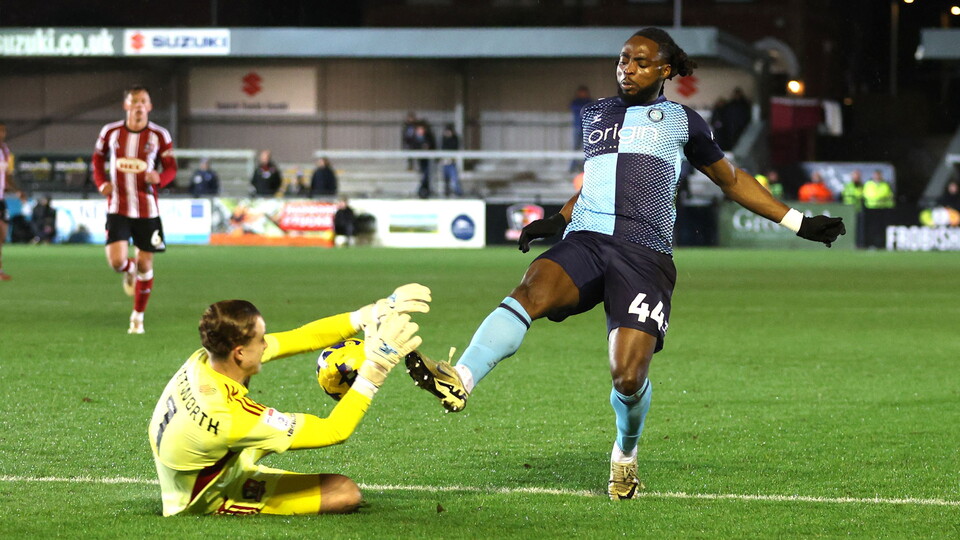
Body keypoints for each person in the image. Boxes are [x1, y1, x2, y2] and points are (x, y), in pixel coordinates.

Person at [405, 27, 844, 501]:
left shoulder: (682, 121)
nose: (626, 68)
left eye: (639, 61)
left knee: (628, 377)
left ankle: (625, 455)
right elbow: (598, 178)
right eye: (622, 59)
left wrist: (797, 222)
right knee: (532, 289)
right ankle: (461, 379)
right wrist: (556, 219)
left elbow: (731, 180)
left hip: (643, 253)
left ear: (665, 71)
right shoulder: (597, 113)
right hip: (588, 238)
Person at [148, 284, 431, 516]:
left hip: (204, 455)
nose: (266, 343)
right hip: (203, 494)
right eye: (260, 340)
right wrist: (375, 372)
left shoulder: (204, 360)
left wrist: (365, 315)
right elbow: (333, 431)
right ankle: (223, 500)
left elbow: (300, 338)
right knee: (344, 492)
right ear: (239, 353)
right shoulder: (229, 416)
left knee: (265, 434)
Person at [92, 85, 177, 333]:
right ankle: (129, 271)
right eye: (134, 101)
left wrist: (160, 178)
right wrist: (101, 183)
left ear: (149, 107)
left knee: (146, 264)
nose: (139, 105)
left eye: (143, 101)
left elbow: (171, 167)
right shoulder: (111, 132)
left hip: (147, 209)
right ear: (126, 105)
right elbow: (97, 159)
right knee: (117, 261)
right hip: (117, 205)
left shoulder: (159, 135)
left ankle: (137, 317)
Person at [0, 120, 21, 280]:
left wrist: (17, 190)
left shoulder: (5, 150)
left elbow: (7, 175)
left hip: (1, 199)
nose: (2, 134)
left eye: (3, 131)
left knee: (2, 234)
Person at [569, 85, 592, 172]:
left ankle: (585, 167)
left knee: (587, 148)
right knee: (575, 147)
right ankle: (572, 167)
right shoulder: (576, 102)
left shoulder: (589, 101)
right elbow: (574, 108)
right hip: (578, 127)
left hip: (587, 127)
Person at [440, 124, 463, 197]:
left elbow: (454, 148)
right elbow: (442, 148)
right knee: (446, 177)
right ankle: (447, 191)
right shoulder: (443, 139)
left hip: (452, 162)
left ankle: (457, 191)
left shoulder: (454, 138)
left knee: (454, 177)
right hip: (445, 161)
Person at [413, 123, 435, 199]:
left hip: (427, 160)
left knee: (426, 175)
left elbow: (433, 145)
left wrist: (427, 147)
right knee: (422, 175)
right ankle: (422, 190)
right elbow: (413, 147)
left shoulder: (428, 137)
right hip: (419, 160)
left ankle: (425, 191)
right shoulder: (415, 138)